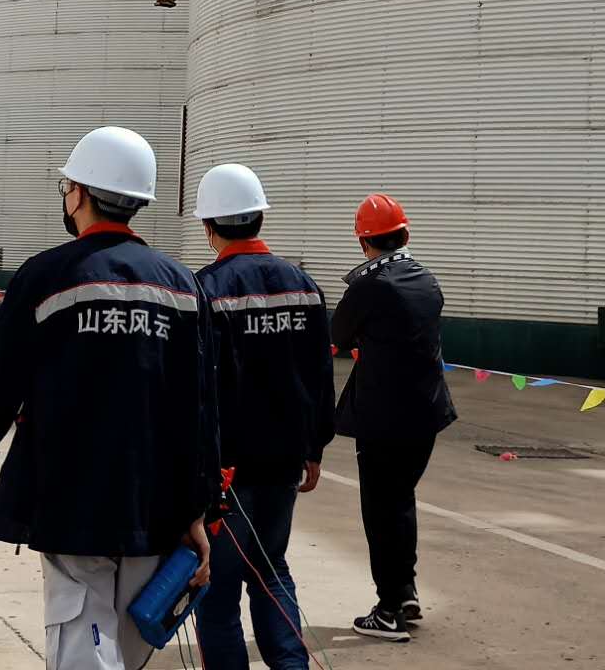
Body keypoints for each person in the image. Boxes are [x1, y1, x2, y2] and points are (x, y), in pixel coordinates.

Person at [0, 126, 218, 670]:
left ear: (78, 194)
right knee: (126, 645)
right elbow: (201, 406)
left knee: (83, 641)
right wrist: (197, 508)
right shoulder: (182, 283)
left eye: (67, 187)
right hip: (154, 501)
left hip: (71, 495)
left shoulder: (49, 275)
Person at [190, 164, 332, 670]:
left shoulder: (204, 290)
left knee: (218, 590)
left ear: (209, 226)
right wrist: (314, 447)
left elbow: (198, 390)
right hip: (283, 465)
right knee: (272, 572)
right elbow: (320, 373)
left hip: (226, 472)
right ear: (257, 218)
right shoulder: (303, 284)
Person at [331, 193, 456, 642]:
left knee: (380, 510)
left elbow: (338, 334)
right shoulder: (427, 278)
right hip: (426, 414)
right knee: (400, 501)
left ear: (364, 243)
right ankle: (404, 590)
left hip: (383, 418)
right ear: (405, 234)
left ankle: (388, 611)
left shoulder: (368, 285)